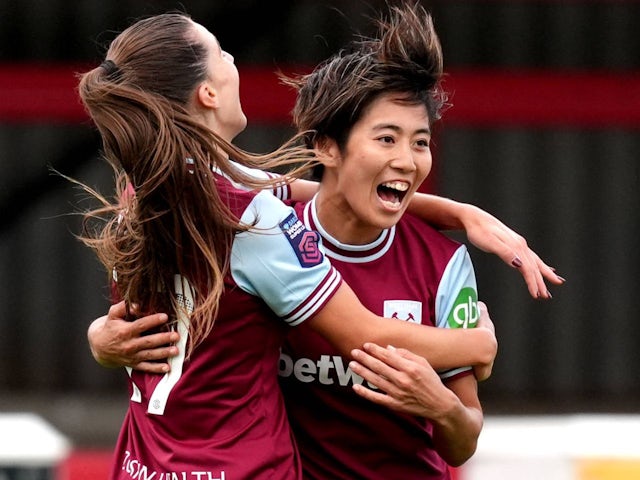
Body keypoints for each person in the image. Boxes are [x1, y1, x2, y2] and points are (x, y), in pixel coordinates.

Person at [76, 11, 501, 480]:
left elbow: (301, 189)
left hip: (143, 465)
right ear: (208, 93)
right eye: (221, 52)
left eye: (420, 142)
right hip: (242, 469)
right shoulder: (257, 222)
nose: (233, 58)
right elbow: (362, 334)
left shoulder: (138, 194)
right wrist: (478, 345)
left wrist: (458, 212)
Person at [276, 4, 482, 477]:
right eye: (387, 139)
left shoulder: (444, 264)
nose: (409, 161)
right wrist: (103, 338)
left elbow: (464, 439)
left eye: (420, 142)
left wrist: (440, 407)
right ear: (326, 146)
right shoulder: (269, 238)